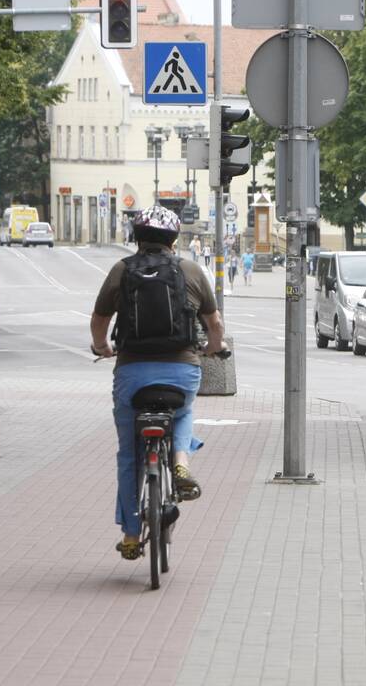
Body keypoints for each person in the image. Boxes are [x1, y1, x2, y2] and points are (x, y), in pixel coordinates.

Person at [89, 205, 225, 561]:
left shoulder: (121, 270)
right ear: (174, 239)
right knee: (182, 412)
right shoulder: (191, 270)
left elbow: (99, 320)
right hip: (182, 369)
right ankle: (181, 462)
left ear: (137, 238)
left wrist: (102, 347)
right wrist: (213, 349)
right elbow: (215, 325)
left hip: (132, 373)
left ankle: (131, 535)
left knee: (129, 453)